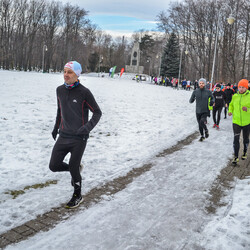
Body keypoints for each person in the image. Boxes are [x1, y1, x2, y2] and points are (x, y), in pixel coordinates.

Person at [49, 61, 102, 208]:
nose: (66, 75)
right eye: (64, 71)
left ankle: (77, 195)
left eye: (69, 72)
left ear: (77, 74)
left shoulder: (84, 92)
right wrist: (56, 128)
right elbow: (60, 111)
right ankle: (76, 170)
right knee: (53, 166)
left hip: (79, 137)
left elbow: (97, 112)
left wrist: (87, 128)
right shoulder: (59, 90)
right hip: (64, 135)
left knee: (73, 166)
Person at [228, 79, 250, 165]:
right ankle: (236, 157)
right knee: (236, 139)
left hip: (247, 122)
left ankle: (244, 152)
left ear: (246, 88)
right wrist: (230, 111)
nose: (241, 89)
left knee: (245, 139)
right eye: (239, 87)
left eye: (243, 87)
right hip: (236, 121)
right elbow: (231, 105)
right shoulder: (235, 96)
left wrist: (247, 109)